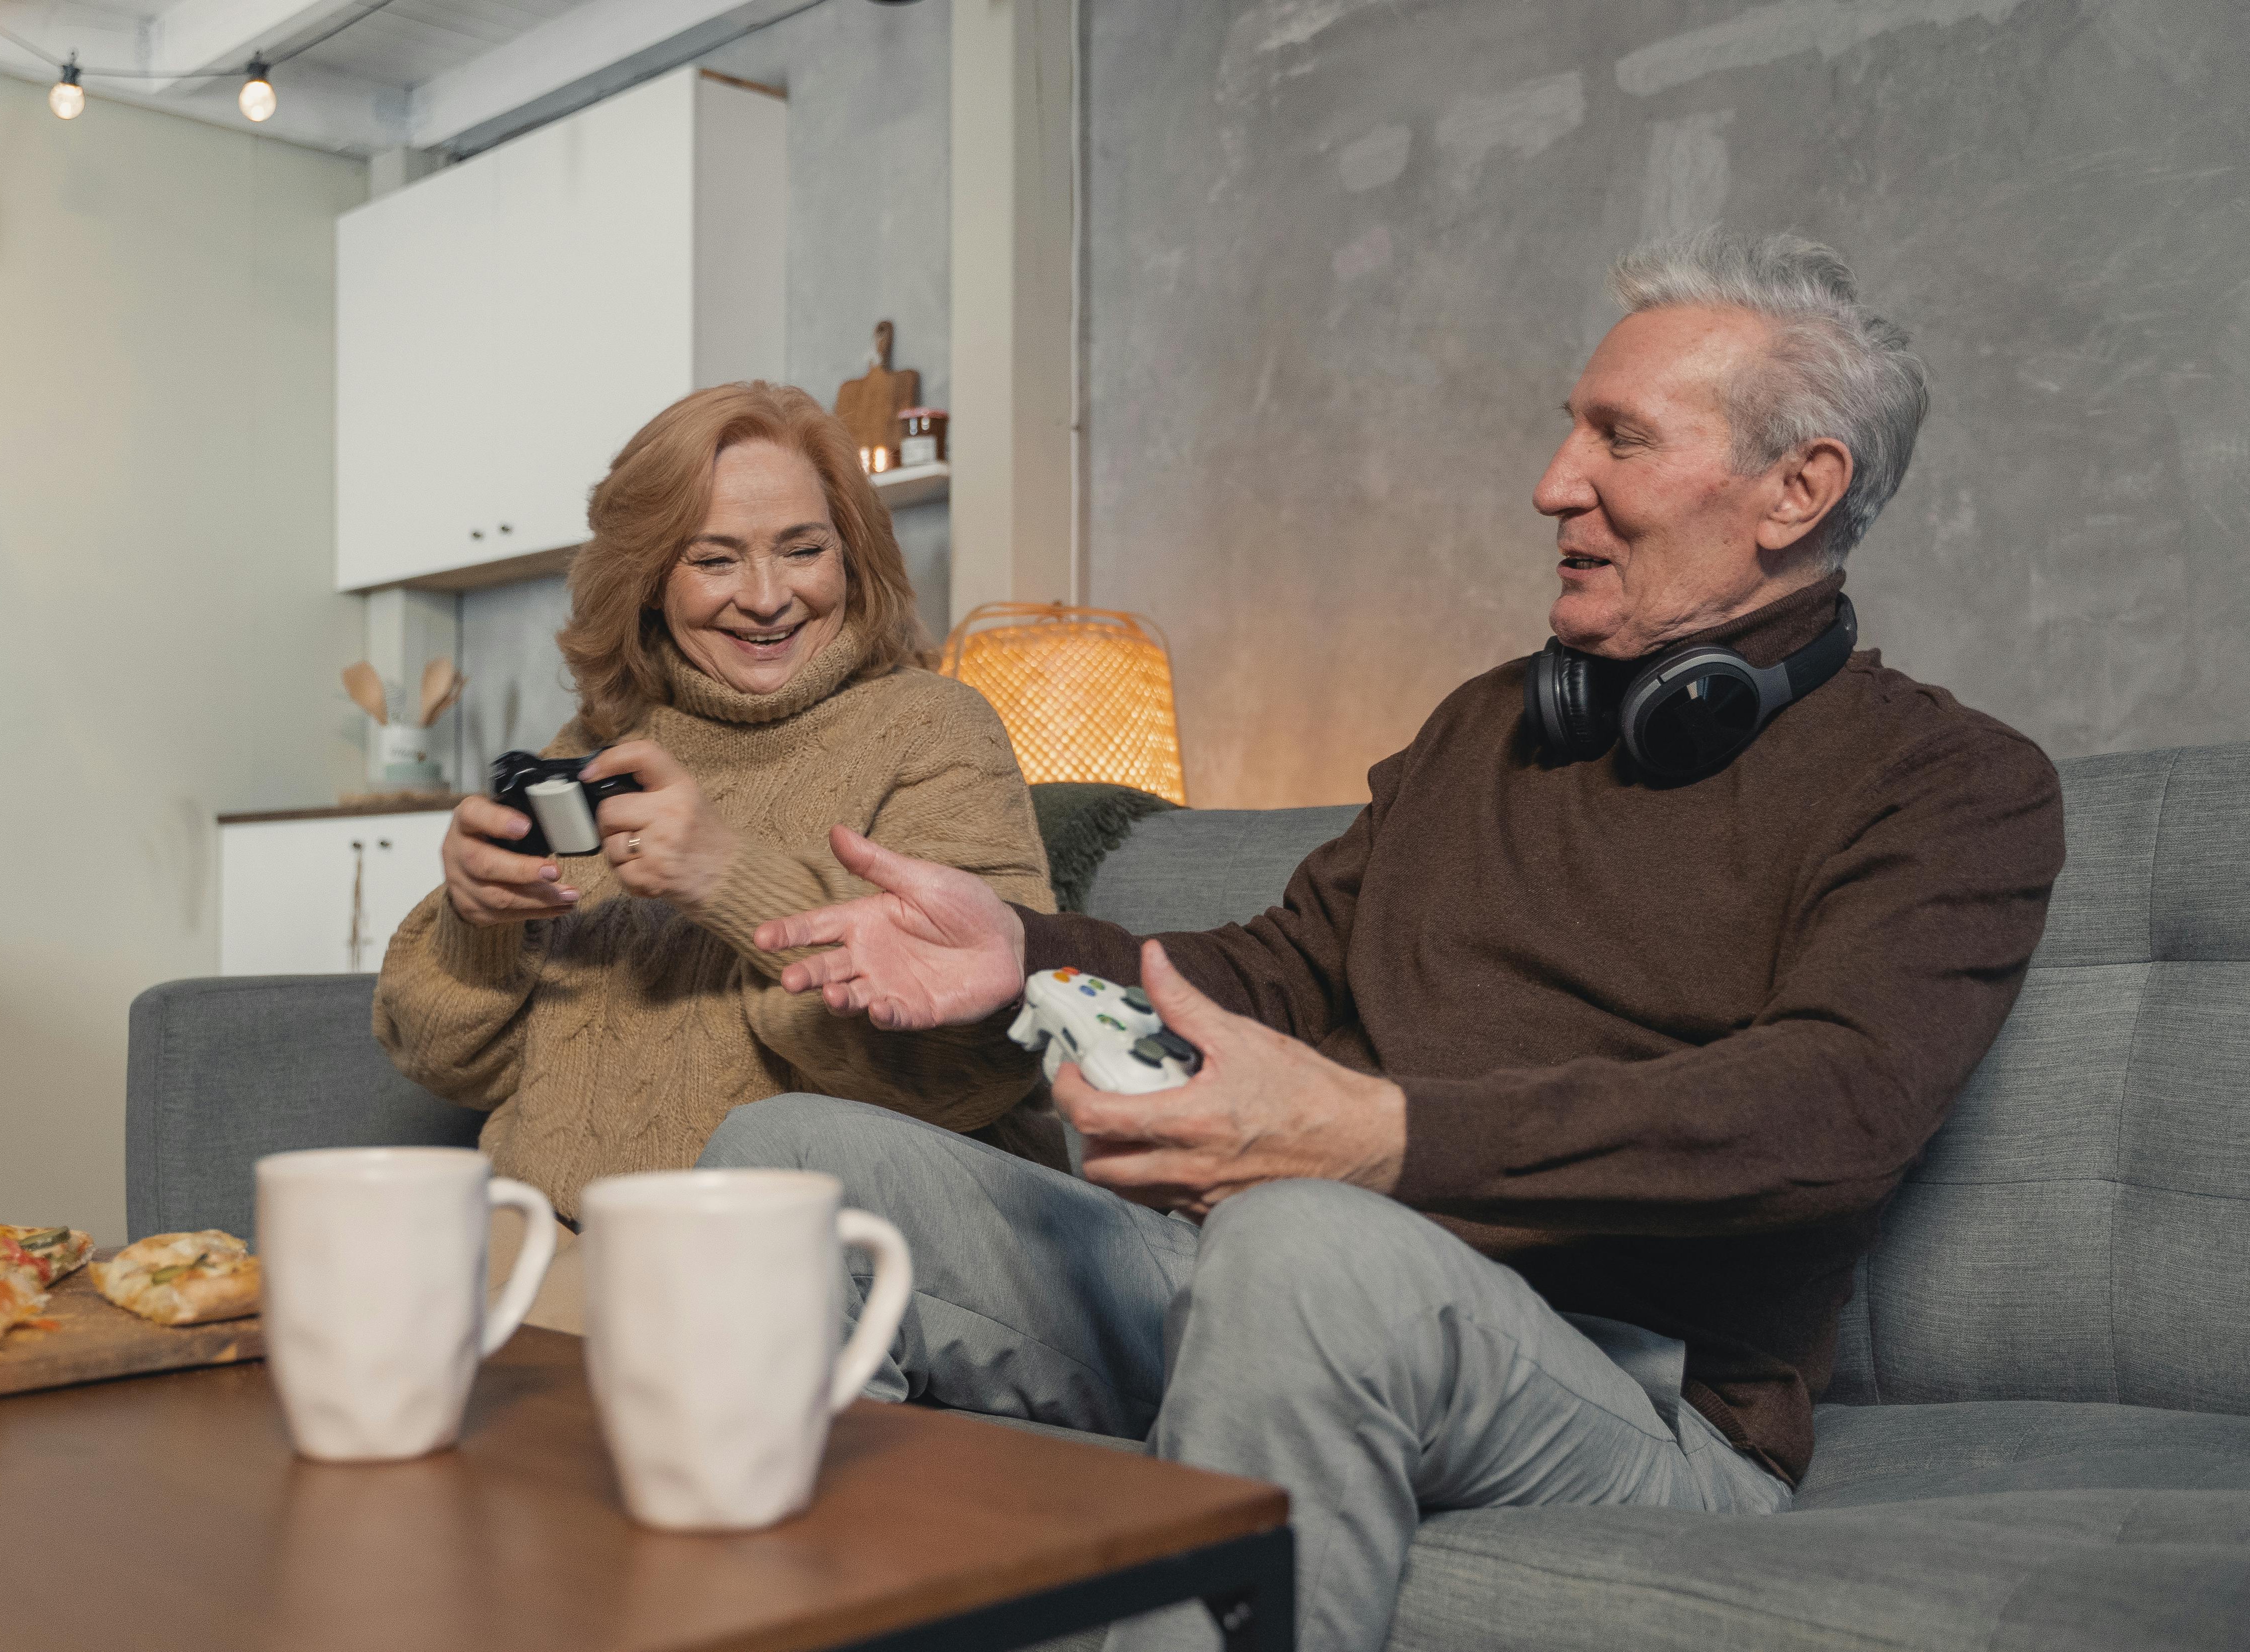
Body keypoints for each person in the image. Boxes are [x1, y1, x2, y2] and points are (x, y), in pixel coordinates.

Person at [697, 232, 2067, 1652]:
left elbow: (1822, 1113)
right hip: (1275, 1281)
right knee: (788, 1163)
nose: (1553, 485)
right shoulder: (1491, 724)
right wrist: (1026, 958)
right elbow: (1276, 971)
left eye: (1619, 439)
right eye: (1567, 431)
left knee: (1304, 1242)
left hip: (1626, 1387)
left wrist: (1382, 1134)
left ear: (1799, 487)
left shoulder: (1953, 783)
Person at [372, 381, 1059, 1226]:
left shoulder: (933, 728)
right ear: (651, 579)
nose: (768, 596)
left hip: (791, 1260)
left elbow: (983, 1063)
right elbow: (444, 1060)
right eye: (715, 559)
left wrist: (728, 877)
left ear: (852, 555)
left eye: (803, 550)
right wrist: (478, 927)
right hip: (538, 1245)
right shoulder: (596, 742)